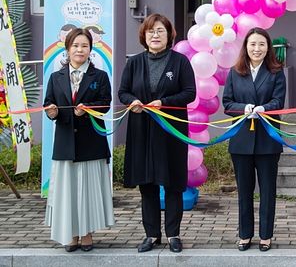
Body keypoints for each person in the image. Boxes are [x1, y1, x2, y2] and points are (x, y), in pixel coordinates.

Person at [118, 14, 196, 253]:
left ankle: (173, 234)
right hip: (142, 131)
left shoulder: (180, 62)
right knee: (147, 183)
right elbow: (123, 92)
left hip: (171, 131)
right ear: (144, 35)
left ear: (169, 35)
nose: (155, 35)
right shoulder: (134, 63)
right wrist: (133, 101)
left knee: (173, 183)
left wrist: (164, 101)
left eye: (160, 30)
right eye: (151, 31)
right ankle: (151, 235)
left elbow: (190, 93)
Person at [43, 27, 114, 252]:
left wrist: (89, 109)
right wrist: (52, 112)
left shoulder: (100, 76)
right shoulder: (56, 78)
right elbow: (49, 104)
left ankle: (87, 233)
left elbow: (105, 104)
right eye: (75, 45)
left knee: (88, 190)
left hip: (91, 143)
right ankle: (71, 234)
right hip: (65, 144)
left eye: (84, 46)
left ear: (91, 50)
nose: (80, 50)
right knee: (69, 191)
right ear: (67, 49)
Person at [223, 27, 286, 252]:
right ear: (246, 47)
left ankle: (266, 235)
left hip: (268, 141)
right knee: (244, 192)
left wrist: (263, 108)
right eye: (252, 44)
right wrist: (244, 109)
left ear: (268, 47)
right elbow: (227, 103)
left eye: (261, 44)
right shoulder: (235, 72)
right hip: (241, 142)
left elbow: (279, 102)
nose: (257, 49)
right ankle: (245, 234)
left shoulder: (276, 72)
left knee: (267, 191)